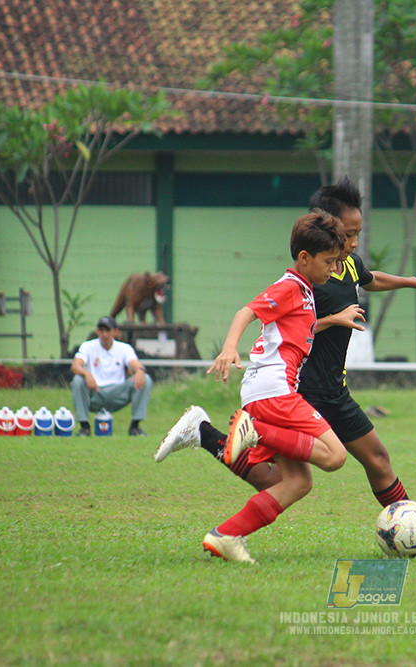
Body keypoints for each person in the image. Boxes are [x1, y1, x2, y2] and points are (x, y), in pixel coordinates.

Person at [156, 178, 416, 543]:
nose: (352, 244)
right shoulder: (313, 273)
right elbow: (292, 324)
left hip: (334, 389)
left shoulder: (344, 263)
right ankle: (209, 438)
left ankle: (414, 527)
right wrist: (332, 320)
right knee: (279, 480)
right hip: (303, 390)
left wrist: (415, 281)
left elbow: (368, 279)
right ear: (327, 232)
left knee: (377, 459)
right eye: (348, 235)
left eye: (357, 235)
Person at [156, 211, 349, 563]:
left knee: (295, 483)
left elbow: (294, 330)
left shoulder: (304, 291)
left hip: (267, 390)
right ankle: (253, 430)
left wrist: (332, 321)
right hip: (274, 391)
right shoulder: (290, 286)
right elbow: (247, 312)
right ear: (304, 258)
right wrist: (230, 347)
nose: (334, 269)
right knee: (335, 456)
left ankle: (227, 535)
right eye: (329, 261)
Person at [70, 316, 152, 436]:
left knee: (146, 379)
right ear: (97, 331)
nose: (104, 334)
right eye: (101, 330)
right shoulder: (88, 346)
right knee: (78, 380)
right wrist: (86, 373)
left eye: (108, 330)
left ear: (115, 332)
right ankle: (84, 427)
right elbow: (75, 366)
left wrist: (139, 371)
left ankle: (135, 427)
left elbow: (135, 364)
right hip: (95, 391)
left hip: (118, 392)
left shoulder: (124, 348)